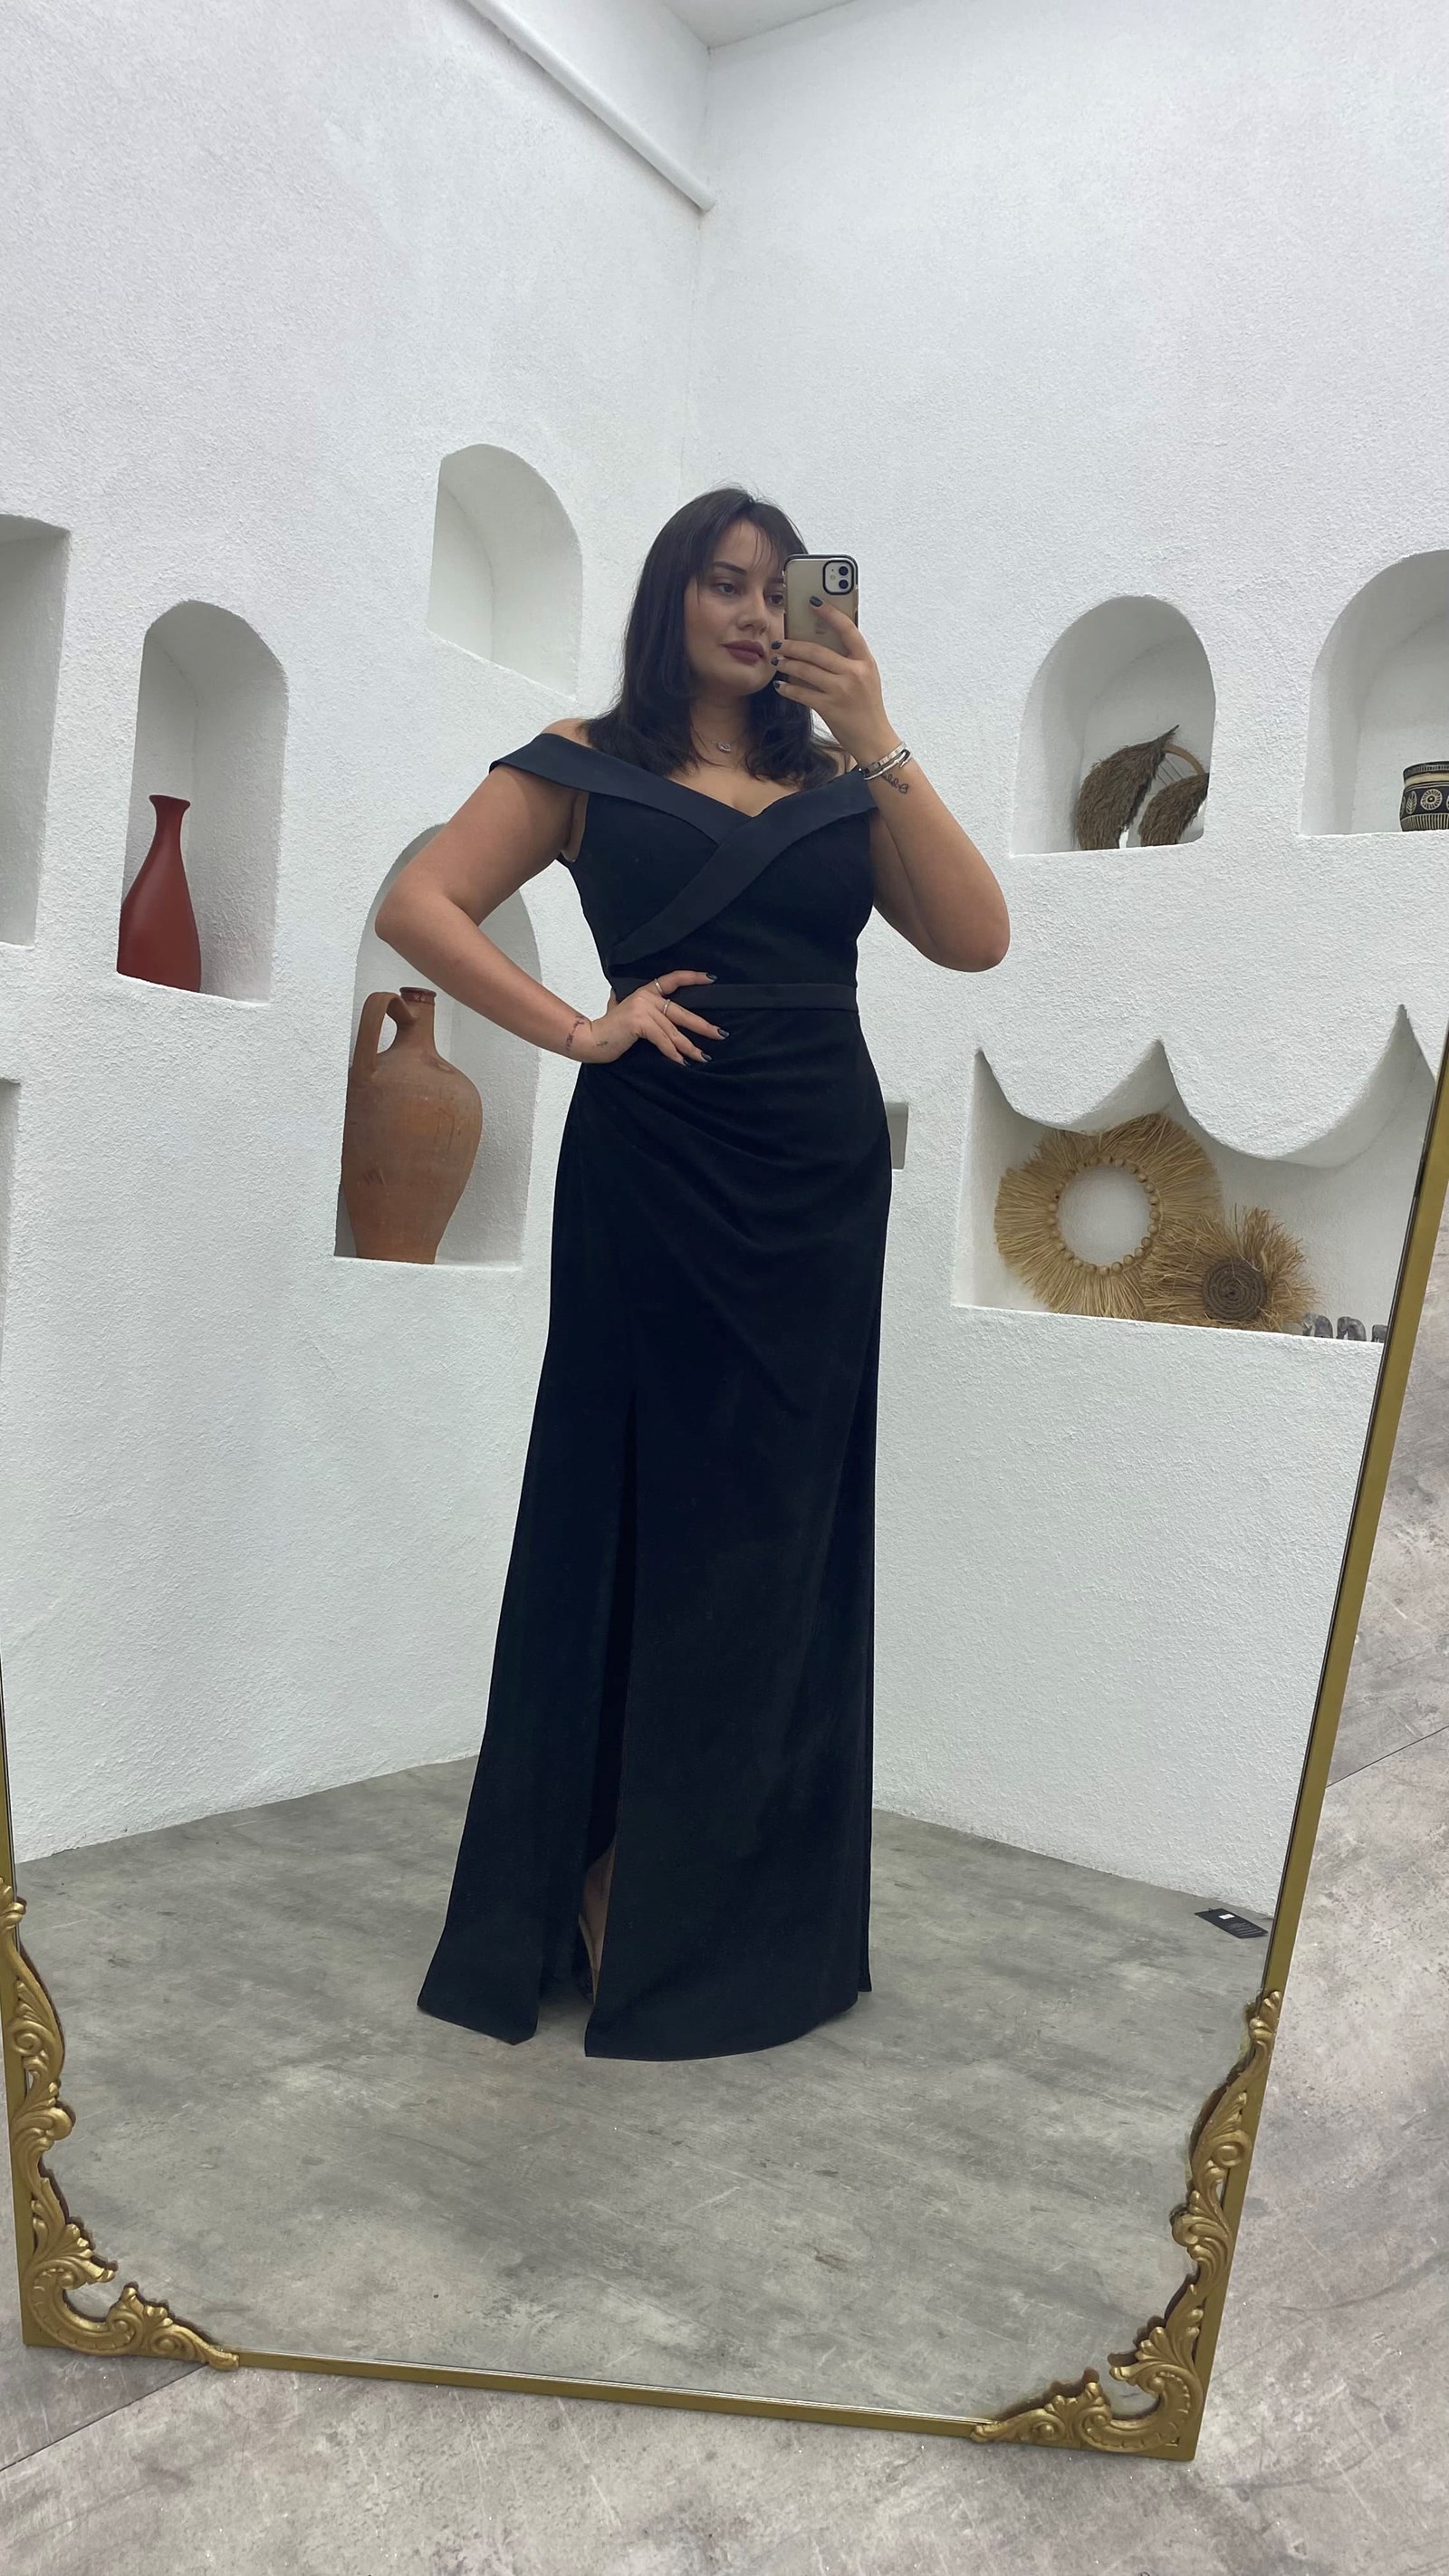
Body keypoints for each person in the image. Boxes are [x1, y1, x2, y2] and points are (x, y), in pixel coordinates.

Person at [380, 485, 1010, 2061]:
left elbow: (976, 937)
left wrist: (877, 729)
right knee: (638, 1509)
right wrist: (578, 1028)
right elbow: (420, 903)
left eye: (779, 591)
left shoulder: (840, 782)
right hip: (655, 1173)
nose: (751, 613)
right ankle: (600, 1872)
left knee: (780, 1533)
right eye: (723, 583)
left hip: (815, 1182)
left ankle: (727, 1902)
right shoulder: (581, 760)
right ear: (671, 598)